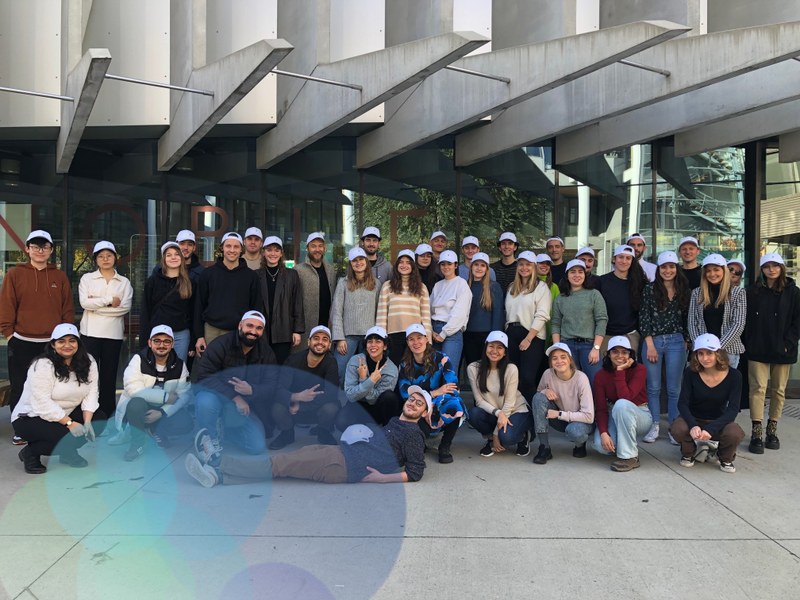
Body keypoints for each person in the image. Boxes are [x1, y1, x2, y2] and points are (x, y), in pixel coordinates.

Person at [184, 388, 430, 487]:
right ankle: (218, 477)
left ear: (423, 413)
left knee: (281, 465)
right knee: (286, 463)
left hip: (344, 466)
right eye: (412, 399)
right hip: (340, 453)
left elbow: (416, 471)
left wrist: (381, 479)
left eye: (419, 403)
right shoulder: (397, 422)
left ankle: (218, 463)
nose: (413, 402)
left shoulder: (414, 434)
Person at [0, 229, 74, 445]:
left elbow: (67, 309)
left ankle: (47, 424)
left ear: (51, 250)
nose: (40, 251)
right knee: (20, 385)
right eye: (35, 246)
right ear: (27, 249)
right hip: (21, 340)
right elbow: (6, 305)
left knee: (53, 386)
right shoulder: (15, 274)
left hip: (52, 344)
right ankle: (20, 428)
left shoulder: (59, 276)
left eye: (44, 247)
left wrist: (66, 337)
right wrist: (9, 334)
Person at [12, 324, 103, 474]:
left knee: (98, 420)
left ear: (78, 344)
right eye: (61, 341)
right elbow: (42, 402)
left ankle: (66, 452)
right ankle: (30, 453)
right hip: (32, 416)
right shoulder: (43, 364)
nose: (67, 345)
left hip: (66, 411)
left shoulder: (89, 361)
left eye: (72, 341)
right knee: (65, 437)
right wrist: (70, 423)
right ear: (53, 344)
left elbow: (91, 392)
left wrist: (87, 422)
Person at [193, 311, 277, 456]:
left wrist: (253, 390)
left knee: (256, 446)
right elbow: (204, 377)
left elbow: (272, 385)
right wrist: (234, 396)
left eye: (259, 328)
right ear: (240, 326)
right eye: (249, 326)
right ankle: (209, 439)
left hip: (245, 405)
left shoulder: (266, 352)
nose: (253, 331)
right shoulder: (221, 344)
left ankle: (223, 430)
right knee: (205, 402)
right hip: (217, 396)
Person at [744, 252, 800, 454]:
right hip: (758, 347)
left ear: (782, 267)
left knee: (778, 389)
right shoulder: (752, 291)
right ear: (762, 269)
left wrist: (789, 343)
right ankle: (756, 431)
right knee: (758, 388)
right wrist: (749, 342)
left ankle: (772, 429)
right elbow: (746, 320)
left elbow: (797, 321)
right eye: (767, 266)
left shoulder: (793, 292)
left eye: (775, 265)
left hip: (783, 348)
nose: (771, 269)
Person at [114, 325, 193, 461]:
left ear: (172, 344)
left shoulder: (179, 365)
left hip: (160, 410)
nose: (161, 345)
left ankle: (156, 432)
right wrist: (166, 397)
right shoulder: (138, 360)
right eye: (157, 341)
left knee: (186, 423)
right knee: (135, 404)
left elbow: (184, 395)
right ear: (150, 343)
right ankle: (138, 443)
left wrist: (162, 412)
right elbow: (134, 390)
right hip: (140, 407)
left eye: (166, 341)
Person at [670, 333, 745, 473]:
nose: (705, 358)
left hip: (719, 420)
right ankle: (689, 453)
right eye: (700, 353)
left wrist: (712, 429)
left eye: (709, 353)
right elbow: (682, 403)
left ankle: (725, 457)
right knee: (677, 428)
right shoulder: (690, 372)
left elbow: (733, 409)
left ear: (718, 353)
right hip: (694, 418)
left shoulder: (735, 376)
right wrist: (692, 425)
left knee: (734, 432)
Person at [639, 251, 691, 444]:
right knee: (652, 387)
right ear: (658, 269)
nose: (668, 271)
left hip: (677, 342)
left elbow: (687, 318)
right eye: (664, 267)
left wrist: (686, 339)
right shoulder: (649, 290)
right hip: (653, 341)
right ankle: (653, 424)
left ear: (676, 268)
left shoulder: (684, 290)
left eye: (671, 267)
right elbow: (644, 318)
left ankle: (673, 427)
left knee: (674, 388)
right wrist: (650, 344)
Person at [78, 241, 133, 420]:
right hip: (90, 334)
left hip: (113, 335)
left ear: (115, 258)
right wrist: (109, 300)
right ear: (95, 260)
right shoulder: (87, 279)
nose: (105, 259)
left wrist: (96, 304)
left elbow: (124, 308)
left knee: (109, 377)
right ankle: (87, 412)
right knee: (88, 374)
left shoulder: (124, 282)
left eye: (109, 255)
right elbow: (84, 303)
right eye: (101, 256)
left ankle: (108, 413)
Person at [398, 324, 467, 464]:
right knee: (410, 407)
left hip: (438, 404)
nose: (416, 342)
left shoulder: (442, 358)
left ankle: (445, 446)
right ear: (407, 343)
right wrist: (434, 392)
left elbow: (452, 386)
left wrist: (434, 397)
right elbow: (405, 393)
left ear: (426, 339)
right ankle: (421, 442)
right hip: (419, 406)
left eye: (419, 338)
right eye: (411, 339)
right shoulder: (405, 364)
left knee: (455, 403)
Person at [270, 326, 341, 449]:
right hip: (293, 409)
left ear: (329, 345)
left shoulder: (331, 362)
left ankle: (323, 431)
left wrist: (301, 404)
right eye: (316, 338)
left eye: (325, 339)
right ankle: (287, 433)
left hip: (317, 408)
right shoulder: (293, 360)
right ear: (309, 342)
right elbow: (279, 389)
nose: (320, 342)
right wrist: (295, 397)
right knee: (277, 407)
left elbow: (331, 393)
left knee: (332, 407)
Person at [467, 331, 532, 458]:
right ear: (485, 347)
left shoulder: (511, 369)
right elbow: (479, 401)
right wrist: (499, 414)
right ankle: (490, 439)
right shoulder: (473, 368)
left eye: (500, 347)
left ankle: (523, 436)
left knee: (507, 438)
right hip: (496, 412)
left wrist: (497, 434)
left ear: (505, 352)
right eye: (491, 346)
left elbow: (509, 403)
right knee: (474, 414)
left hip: (516, 410)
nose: (494, 351)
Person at [194, 232, 261, 354]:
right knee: (211, 370)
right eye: (228, 246)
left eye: (236, 247)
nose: (232, 250)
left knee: (235, 371)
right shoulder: (208, 274)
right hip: (211, 331)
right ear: (222, 248)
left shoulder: (251, 276)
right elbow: (199, 306)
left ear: (241, 249)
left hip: (239, 332)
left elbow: (255, 308)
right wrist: (199, 336)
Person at [592, 336, 651, 472]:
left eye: (624, 352)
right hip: (615, 411)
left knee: (621, 404)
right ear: (608, 354)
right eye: (615, 352)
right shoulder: (601, 375)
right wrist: (604, 433)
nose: (620, 356)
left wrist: (620, 371)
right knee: (601, 447)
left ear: (630, 354)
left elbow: (626, 397)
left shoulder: (640, 370)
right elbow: (601, 409)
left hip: (640, 413)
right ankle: (623, 443)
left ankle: (630, 457)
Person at [530, 342, 595, 463]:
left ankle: (580, 445)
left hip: (580, 422)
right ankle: (544, 447)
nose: (559, 361)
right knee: (538, 398)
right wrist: (545, 390)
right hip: (560, 420)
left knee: (575, 431)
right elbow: (538, 398)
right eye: (554, 358)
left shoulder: (581, 378)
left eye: (563, 357)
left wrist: (559, 414)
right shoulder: (547, 374)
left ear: (570, 360)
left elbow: (589, 417)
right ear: (551, 362)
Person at [551, 258, 607, 386]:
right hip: (567, 346)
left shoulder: (594, 294)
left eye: (580, 272)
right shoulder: (560, 298)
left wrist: (596, 348)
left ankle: (594, 407)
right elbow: (555, 323)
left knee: (594, 382)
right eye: (573, 272)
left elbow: (602, 320)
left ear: (585, 275)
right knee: (570, 383)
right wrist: (558, 348)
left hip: (589, 346)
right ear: (567, 275)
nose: (577, 275)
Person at [504, 250, 551, 401]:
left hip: (532, 335)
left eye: (528, 265)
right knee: (513, 378)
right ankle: (518, 413)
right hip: (512, 333)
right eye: (521, 264)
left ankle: (534, 413)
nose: (524, 267)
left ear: (534, 267)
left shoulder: (541, 287)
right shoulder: (512, 288)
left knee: (527, 378)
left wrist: (529, 338)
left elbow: (542, 314)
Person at [331, 247, 381, 383]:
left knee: (365, 374)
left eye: (361, 259)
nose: (358, 263)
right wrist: (339, 338)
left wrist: (377, 338)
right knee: (339, 371)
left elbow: (379, 311)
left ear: (366, 261)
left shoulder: (376, 284)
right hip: (348, 337)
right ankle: (335, 402)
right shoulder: (343, 283)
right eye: (354, 261)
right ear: (351, 264)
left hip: (369, 338)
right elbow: (336, 311)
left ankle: (361, 402)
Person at [688, 253, 746, 368]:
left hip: (728, 350)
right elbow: (692, 323)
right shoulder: (696, 293)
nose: (712, 274)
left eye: (716, 270)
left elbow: (738, 324)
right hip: (703, 352)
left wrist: (716, 347)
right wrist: (702, 346)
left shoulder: (738, 293)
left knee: (726, 385)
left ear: (724, 271)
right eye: (708, 271)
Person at [375, 249, 432, 366]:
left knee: (413, 368)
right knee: (394, 368)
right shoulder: (387, 286)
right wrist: (380, 338)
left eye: (408, 262)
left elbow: (426, 317)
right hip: (393, 336)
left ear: (413, 266)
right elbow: (381, 316)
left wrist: (428, 339)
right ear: (396, 265)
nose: (404, 265)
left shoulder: (421, 287)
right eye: (401, 262)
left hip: (415, 336)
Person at [337, 326, 400, 430]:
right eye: (370, 341)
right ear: (366, 345)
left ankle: (387, 431)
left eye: (378, 341)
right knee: (341, 422)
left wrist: (364, 380)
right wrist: (370, 381)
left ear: (385, 346)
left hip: (377, 409)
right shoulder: (355, 361)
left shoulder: (391, 369)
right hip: (358, 405)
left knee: (390, 397)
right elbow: (350, 395)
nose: (373, 345)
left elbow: (373, 400)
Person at [140, 241, 195, 362]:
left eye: (176, 254)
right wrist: (145, 340)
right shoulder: (152, 281)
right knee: (156, 373)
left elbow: (193, 312)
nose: (173, 257)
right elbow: (146, 311)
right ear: (163, 259)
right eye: (169, 255)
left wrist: (193, 342)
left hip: (181, 335)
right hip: (157, 335)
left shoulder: (189, 283)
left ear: (181, 258)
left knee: (178, 372)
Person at [256, 235, 304, 365]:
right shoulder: (255, 275)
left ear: (281, 253)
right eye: (269, 250)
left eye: (277, 250)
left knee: (281, 367)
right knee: (263, 367)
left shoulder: (291, 275)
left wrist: (297, 330)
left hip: (284, 330)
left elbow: (297, 303)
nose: (273, 253)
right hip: (261, 331)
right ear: (263, 252)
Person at [595, 244, 646, 352]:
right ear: (614, 259)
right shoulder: (601, 281)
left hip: (630, 336)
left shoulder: (639, 283)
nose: (624, 261)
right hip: (606, 336)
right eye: (621, 257)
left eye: (628, 258)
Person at [430, 249, 472, 375]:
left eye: (449, 264)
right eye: (443, 264)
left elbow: (459, 314)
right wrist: (431, 330)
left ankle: (450, 395)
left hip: (451, 333)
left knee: (448, 371)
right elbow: (430, 309)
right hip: (434, 330)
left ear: (455, 265)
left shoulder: (461, 284)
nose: (446, 267)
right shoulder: (438, 285)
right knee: (435, 372)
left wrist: (443, 333)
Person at [295, 232, 336, 352]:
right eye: (313, 246)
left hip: (326, 326)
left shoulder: (330, 270)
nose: (317, 249)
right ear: (307, 248)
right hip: (306, 329)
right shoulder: (298, 270)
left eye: (320, 246)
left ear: (324, 248)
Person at [464, 251, 505, 367]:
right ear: (471, 267)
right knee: (472, 368)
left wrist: (494, 338)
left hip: (487, 336)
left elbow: (498, 314)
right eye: (476, 265)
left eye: (482, 265)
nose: (479, 268)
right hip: (468, 335)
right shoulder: (465, 286)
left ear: (487, 269)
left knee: (487, 369)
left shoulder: (493, 287)